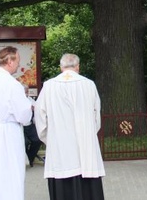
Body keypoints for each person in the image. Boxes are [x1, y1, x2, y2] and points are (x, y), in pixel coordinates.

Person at [34, 53, 105, 200]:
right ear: (77, 67)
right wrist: (89, 134)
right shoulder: (89, 84)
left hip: (59, 145)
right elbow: (96, 114)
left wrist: (49, 138)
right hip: (85, 146)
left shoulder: (49, 86)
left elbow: (39, 116)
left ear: (61, 67)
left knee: (62, 173)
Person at [0, 46, 33, 200]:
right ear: (9, 61)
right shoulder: (12, 84)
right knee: (11, 171)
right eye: (17, 61)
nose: (18, 65)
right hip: (8, 132)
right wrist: (29, 109)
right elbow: (23, 115)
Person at [22, 83, 42, 168]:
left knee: (37, 139)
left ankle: (30, 158)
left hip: (29, 125)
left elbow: (38, 107)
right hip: (20, 125)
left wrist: (35, 108)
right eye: (25, 92)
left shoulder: (30, 99)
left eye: (27, 91)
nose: (26, 93)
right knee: (25, 142)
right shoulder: (16, 100)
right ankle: (23, 159)